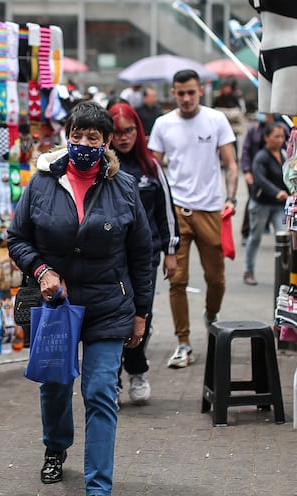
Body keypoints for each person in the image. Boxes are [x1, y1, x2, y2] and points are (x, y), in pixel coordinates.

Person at [8, 101, 155, 496]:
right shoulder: (41, 183)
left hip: (109, 304)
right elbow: (17, 237)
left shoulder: (124, 188)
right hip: (57, 305)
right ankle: (55, 448)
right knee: (54, 384)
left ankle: (98, 486)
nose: (83, 143)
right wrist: (42, 270)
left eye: (93, 137)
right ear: (66, 136)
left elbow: (143, 254)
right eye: (76, 135)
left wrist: (142, 313)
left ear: (108, 141)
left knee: (101, 391)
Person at [148, 69, 239, 369]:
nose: (186, 98)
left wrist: (231, 197)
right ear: (173, 93)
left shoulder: (216, 120)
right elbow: (153, 169)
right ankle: (183, 343)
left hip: (211, 209)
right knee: (177, 280)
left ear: (200, 90)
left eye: (191, 92)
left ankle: (211, 316)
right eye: (180, 93)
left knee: (216, 279)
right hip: (176, 212)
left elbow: (230, 164)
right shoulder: (163, 124)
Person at [108, 102, 179, 405]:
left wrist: (171, 250)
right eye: (118, 132)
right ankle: (110, 380)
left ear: (139, 131)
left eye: (130, 131)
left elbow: (166, 209)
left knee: (141, 318)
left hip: (145, 259)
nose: (124, 137)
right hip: (109, 260)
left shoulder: (151, 166)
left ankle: (137, 372)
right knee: (110, 320)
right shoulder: (103, 167)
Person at [243, 122, 288, 286]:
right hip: (261, 204)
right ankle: (248, 270)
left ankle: (286, 272)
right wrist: (277, 192)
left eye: (282, 136)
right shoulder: (261, 156)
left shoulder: (284, 154)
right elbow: (260, 179)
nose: (279, 140)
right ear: (266, 137)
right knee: (254, 238)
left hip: (279, 206)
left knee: (283, 237)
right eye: (276, 136)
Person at [239, 113, 289, 243]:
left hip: (275, 170)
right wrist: (247, 171)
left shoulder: (282, 127)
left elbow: (289, 147)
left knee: (276, 199)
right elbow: (246, 150)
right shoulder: (254, 129)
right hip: (257, 170)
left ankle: (272, 228)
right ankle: (247, 232)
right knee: (255, 200)